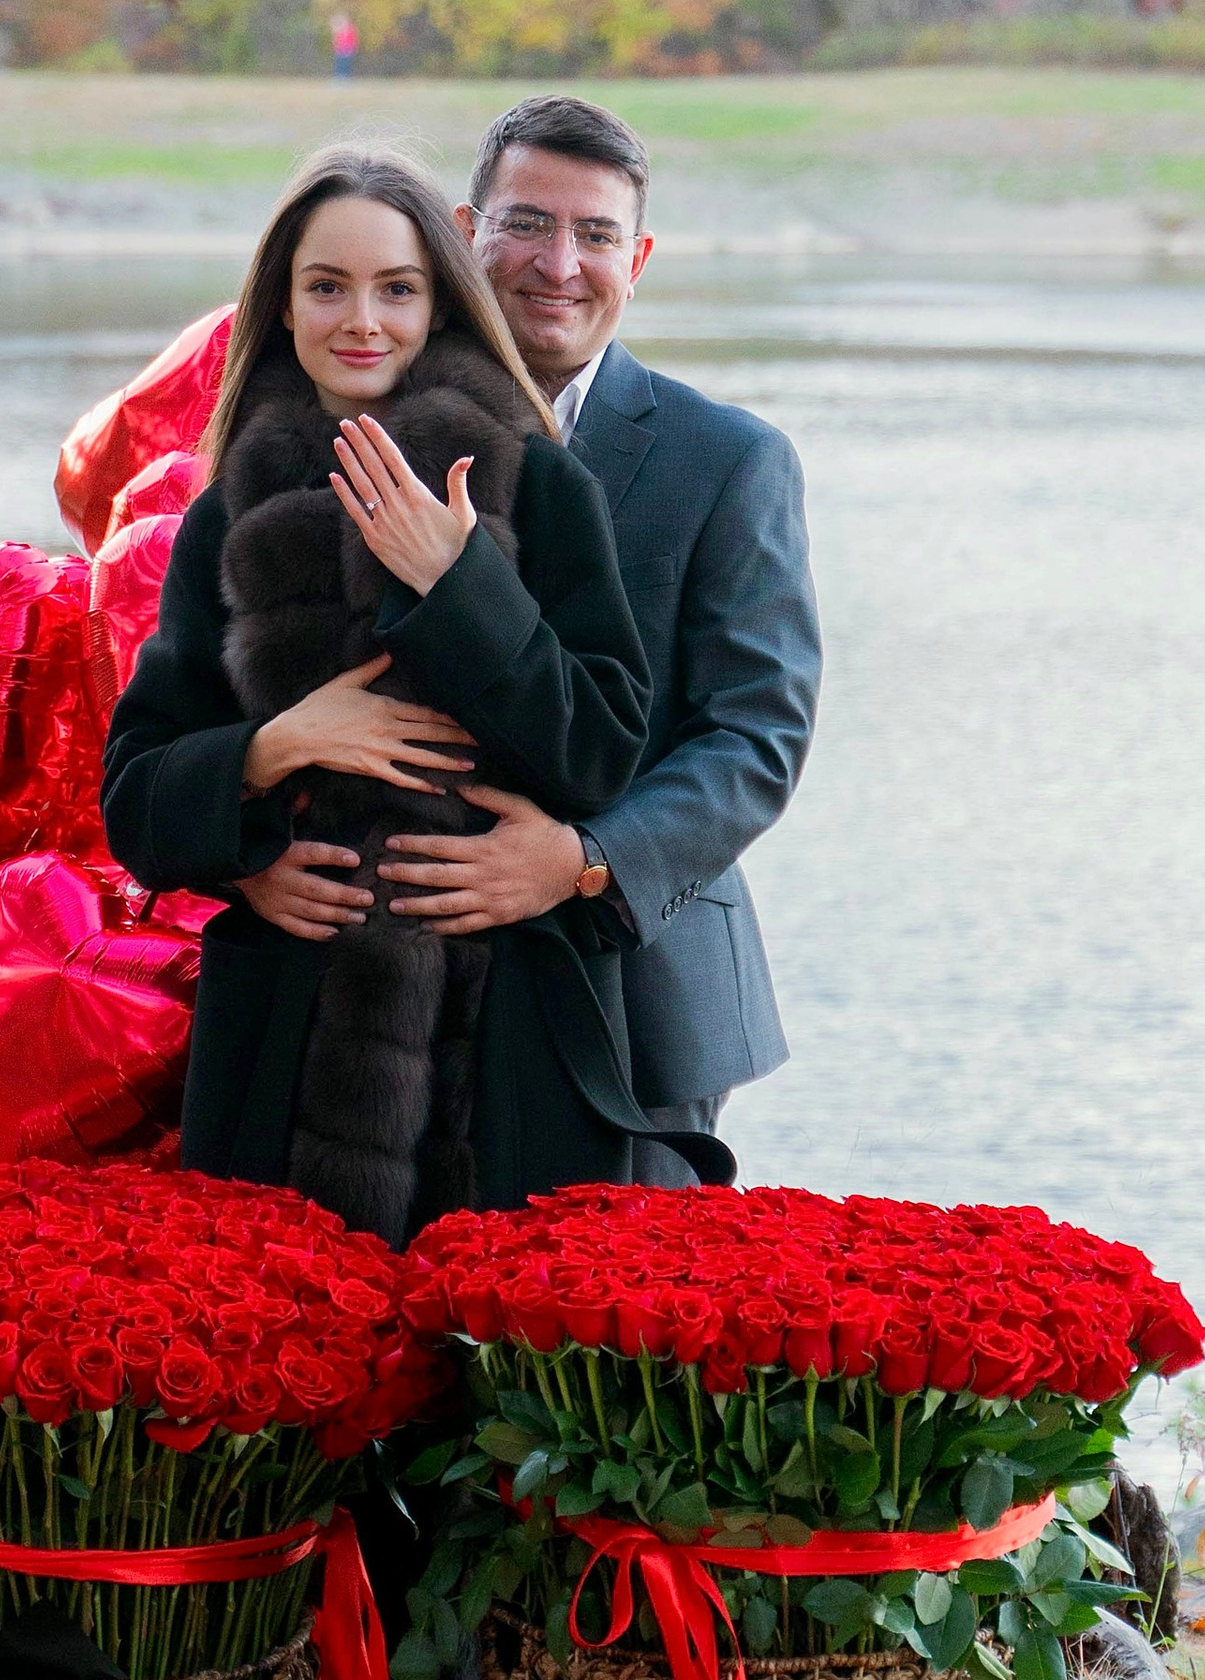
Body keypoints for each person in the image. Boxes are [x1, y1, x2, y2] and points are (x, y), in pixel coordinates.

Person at [101, 147, 716, 1247]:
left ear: (440, 300)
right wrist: (267, 760)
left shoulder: (539, 481)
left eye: (396, 287)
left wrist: (460, 583)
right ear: (280, 308)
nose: (361, 320)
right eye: (325, 286)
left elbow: (603, 753)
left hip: (507, 1032)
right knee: (286, 1381)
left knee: (505, 1380)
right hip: (285, 1042)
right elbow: (136, 799)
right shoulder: (225, 511)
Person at [231, 94, 820, 1174]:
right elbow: (240, 693)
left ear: (635, 258)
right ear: (465, 233)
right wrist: (249, 852)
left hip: (642, 981)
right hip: (382, 993)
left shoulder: (727, 460)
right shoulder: (348, 419)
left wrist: (583, 861)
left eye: (595, 234)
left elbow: (755, 738)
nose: (560, 263)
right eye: (527, 224)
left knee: (604, 1332)